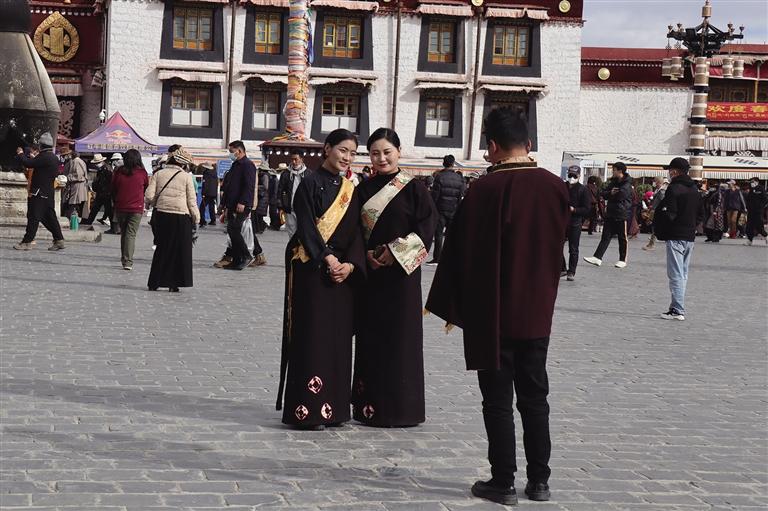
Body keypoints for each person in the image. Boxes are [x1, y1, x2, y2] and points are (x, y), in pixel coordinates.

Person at [426, 107, 569, 506]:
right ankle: (539, 481)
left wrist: (454, 303)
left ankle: (503, 481)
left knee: (497, 400)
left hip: (493, 314)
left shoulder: (484, 190)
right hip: (537, 310)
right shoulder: (555, 186)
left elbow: (459, 253)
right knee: (535, 397)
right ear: (528, 143)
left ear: (492, 146)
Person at [276, 129, 366, 430]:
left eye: (352, 153)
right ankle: (308, 409)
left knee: (338, 338)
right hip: (312, 270)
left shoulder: (351, 189)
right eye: (342, 150)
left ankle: (336, 408)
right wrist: (327, 258)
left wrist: (350, 265)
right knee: (313, 337)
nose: (347, 157)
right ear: (327, 149)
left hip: (341, 275)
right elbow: (305, 227)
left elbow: (356, 233)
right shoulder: (309, 183)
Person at [352, 128, 437, 428]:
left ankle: (403, 409)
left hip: (402, 280)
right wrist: (365, 256)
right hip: (372, 278)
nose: (381, 158)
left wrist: (394, 252)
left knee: (401, 341)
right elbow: (352, 232)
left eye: (387, 152)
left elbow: (428, 228)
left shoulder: (415, 189)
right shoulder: (362, 190)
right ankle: (368, 407)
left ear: (398, 152)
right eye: (375, 153)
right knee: (371, 339)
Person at [146, 147, 200, 292]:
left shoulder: (158, 174)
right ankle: (173, 283)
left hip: (162, 215)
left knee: (161, 248)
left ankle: (154, 282)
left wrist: (156, 203)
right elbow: (191, 200)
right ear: (183, 164)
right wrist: (196, 217)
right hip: (180, 216)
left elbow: (149, 195)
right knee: (179, 250)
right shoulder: (186, 177)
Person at [653, 157, 700, 321]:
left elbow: (670, 213)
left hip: (676, 235)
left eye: (670, 170)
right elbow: (700, 213)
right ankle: (676, 306)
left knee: (675, 274)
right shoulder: (694, 189)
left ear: (674, 171)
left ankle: (678, 309)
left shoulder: (674, 189)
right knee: (683, 273)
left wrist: (661, 228)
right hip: (689, 236)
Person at [13, 133, 66, 251]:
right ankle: (59, 239)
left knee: (34, 217)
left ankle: (27, 241)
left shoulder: (44, 156)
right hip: (48, 192)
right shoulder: (53, 157)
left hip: (39, 192)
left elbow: (28, 163)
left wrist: (21, 153)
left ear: (41, 145)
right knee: (49, 218)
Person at [583, 162, 632, 269]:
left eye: (614, 170)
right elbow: (602, 193)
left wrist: (612, 194)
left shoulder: (627, 183)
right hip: (610, 212)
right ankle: (597, 257)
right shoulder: (613, 182)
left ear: (620, 171)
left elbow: (621, 195)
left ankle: (622, 260)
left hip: (621, 213)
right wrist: (611, 193)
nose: (612, 172)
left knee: (622, 237)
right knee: (605, 236)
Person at [111, 149, 149, 270]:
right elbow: (145, 187)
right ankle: (128, 261)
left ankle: (125, 258)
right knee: (130, 234)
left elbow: (113, 188)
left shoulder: (118, 172)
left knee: (124, 233)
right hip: (136, 207)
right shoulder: (142, 173)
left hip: (121, 206)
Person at [222, 141, 257, 270]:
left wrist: (243, 201)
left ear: (239, 151)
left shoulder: (248, 165)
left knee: (234, 229)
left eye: (232, 151)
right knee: (231, 230)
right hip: (232, 203)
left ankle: (246, 255)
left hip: (241, 204)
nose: (231, 154)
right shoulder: (235, 165)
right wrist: (223, 204)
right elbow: (229, 186)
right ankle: (236, 260)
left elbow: (249, 186)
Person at [427, 154, 465, 265]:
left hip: (440, 209)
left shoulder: (439, 177)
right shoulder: (459, 178)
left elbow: (435, 195)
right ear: (453, 164)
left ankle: (437, 258)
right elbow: (461, 195)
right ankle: (449, 257)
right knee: (450, 235)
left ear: (444, 163)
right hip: (453, 210)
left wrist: (432, 208)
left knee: (438, 235)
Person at [562, 167, 591, 281]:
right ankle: (562, 268)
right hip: (562, 221)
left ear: (579, 176)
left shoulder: (583, 190)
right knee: (557, 246)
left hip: (575, 222)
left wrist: (574, 210)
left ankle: (571, 272)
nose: (572, 178)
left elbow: (587, 209)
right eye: (570, 175)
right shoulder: (562, 186)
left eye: (574, 176)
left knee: (573, 248)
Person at [278, 149, 312, 238]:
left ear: (301, 159)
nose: (293, 162)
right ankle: (293, 247)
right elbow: (280, 190)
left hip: (303, 209)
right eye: (292, 159)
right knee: (291, 232)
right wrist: (280, 205)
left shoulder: (308, 174)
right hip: (289, 208)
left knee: (303, 232)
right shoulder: (285, 174)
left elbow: (312, 193)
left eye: (296, 159)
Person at [81, 154, 113, 226]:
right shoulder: (101, 169)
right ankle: (89, 222)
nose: (96, 165)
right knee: (96, 208)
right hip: (101, 192)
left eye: (97, 163)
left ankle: (113, 226)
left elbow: (109, 182)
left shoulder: (107, 169)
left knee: (108, 210)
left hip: (106, 193)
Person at [642, 177, 669, 251]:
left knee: (655, 227)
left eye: (655, 181)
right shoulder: (658, 190)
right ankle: (651, 243)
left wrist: (655, 207)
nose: (654, 183)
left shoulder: (661, 191)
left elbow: (662, 202)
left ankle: (652, 244)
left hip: (657, 211)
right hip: (655, 210)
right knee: (654, 227)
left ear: (658, 182)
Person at [62, 149, 88, 220]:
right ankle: (71, 217)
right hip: (75, 184)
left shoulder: (76, 161)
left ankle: (70, 218)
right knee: (73, 202)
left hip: (77, 184)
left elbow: (78, 175)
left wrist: (68, 178)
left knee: (73, 202)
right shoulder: (75, 161)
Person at [744, 177, 767, 245]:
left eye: (752, 182)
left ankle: (766, 236)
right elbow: (748, 199)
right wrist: (747, 207)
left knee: (759, 225)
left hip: (758, 211)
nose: (751, 183)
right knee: (749, 226)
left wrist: (761, 207)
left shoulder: (761, 188)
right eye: (751, 182)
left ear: (756, 182)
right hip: (751, 211)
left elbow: (765, 199)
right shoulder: (751, 189)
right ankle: (750, 240)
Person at [199, 162, 218, 227]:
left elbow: (205, 184)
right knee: (211, 207)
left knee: (202, 207)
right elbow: (216, 184)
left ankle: (202, 221)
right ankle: (213, 220)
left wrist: (203, 193)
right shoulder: (215, 173)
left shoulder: (206, 173)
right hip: (213, 193)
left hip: (207, 193)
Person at [254, 161, 271, 234]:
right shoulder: (264, 175)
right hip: (262, 196)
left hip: (263, 197)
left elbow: (265, 186)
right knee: (259, 214)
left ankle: (261, 227)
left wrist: (256, 187)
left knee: (259, 214)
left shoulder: (265, 176)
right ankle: (260, 227)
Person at [268, 164, 284, 230]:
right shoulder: (279, 177)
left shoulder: (276, 178)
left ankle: (275, 224)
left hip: (276, 198)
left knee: (275, 212)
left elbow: (275, 190)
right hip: (279, 197)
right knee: (278, 212)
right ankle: (276, 224)